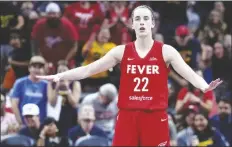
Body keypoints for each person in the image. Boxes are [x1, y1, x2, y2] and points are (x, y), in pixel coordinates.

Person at [37, 5, 223, 146]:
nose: (142, 22)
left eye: (145, 19)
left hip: (155, 115)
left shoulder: (167, 51)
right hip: (128, 115)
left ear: (152, 23)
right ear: (132, 24)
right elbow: (87, 69)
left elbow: (189, 73)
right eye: (138, 19)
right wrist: (60, 76)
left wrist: (204, 86)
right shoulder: (121, 51)